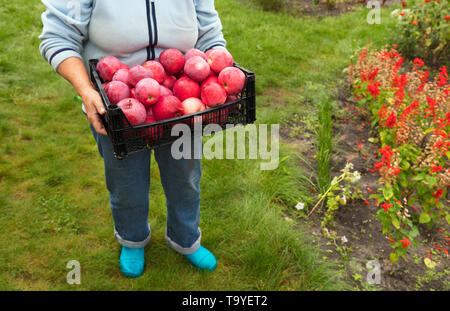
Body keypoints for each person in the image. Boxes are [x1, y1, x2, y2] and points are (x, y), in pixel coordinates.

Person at [39, 0, 227, 278]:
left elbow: (210, 33)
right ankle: (132, 239)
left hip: (180, 96)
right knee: (125, 180)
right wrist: (85, 89)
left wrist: (220, 67)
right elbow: (58, 36)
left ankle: (186, 239)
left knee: (185, 176)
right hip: (116, 102)